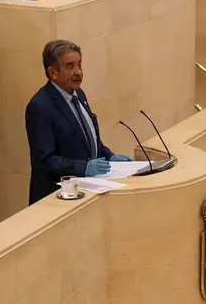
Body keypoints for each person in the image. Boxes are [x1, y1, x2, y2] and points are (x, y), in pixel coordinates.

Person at [25, 40, 133, 204]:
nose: (78, 72)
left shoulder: (79, 95)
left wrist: (110, 157)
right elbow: (46, 160)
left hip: (87, 191)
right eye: (70, 66)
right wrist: (84, 167)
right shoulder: (40, 106)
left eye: (79, 65)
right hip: (58, 198)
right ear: (53, 72)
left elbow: (89, 140)